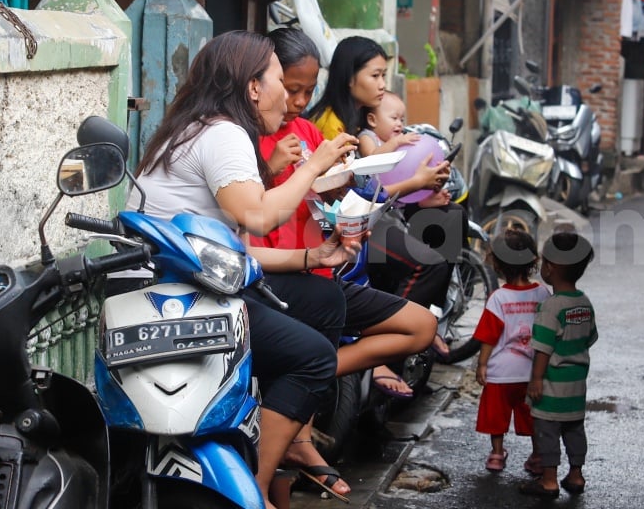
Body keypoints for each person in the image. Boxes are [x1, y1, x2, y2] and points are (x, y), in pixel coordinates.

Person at [121, 30, 359, 509]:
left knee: (324, 299)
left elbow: (237, 248)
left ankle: (284, 426)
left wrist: (313, 258)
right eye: (278, 79)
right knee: (313, 358)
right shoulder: (223, 133)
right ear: (253, 87)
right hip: (178, 297)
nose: (290, 98)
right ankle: (256, 481)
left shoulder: (201, 129)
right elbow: (257, 215)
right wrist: (314, 166)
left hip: (198, 280)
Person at [248, 27, 439, 500]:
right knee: (280, 482)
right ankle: (293, 441)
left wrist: (343, 197)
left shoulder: (311, 131)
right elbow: (246, 213)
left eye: (307, 91)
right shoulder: (244, 140)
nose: (297, 101)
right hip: (278, 277)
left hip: (319, 268)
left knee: (420, 329)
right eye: (291, 89)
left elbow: (323, 199)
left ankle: (305, 399)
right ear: (260, 80)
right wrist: (271, 167)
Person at [309, 35, 461, 351]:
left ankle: (420, 329)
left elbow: (375, 182)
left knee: (451, 220)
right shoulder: (330, 126)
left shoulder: (355, 121)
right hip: (342, 229)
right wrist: (415, 183)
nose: (382, 84)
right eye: (375, 75)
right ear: (350, 78)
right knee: (429, 263)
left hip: (369, 219)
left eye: (383, 76)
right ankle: (387, 347)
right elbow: (350, 195)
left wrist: (422, 188)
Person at [520, 232, 597, 499]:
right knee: (575, 429)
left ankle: (549, 480)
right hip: (576, 386)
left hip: (552, 386)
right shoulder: (584, 303)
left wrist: (536, 380)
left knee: (547, 432)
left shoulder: (550, 307)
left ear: (549, 269)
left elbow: (542, 348)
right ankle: (576, 475)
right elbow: (591, 337)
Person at [473, 229, 550, 474]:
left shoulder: (498, 297)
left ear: (497, 263)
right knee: (533, 415)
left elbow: (488, 336)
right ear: (533, 261)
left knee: (496, 416)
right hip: (532, 372)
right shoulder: (541, 294)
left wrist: (482, 364)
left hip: (501, 373)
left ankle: (497, 454)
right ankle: (537, 455)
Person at [356, 90, 420, 157]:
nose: (399, 124)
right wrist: (395, 143)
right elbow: (370, 158)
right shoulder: (366, 137)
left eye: (402, 120)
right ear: (372, 120)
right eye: (394, 118)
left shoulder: (392, 138)